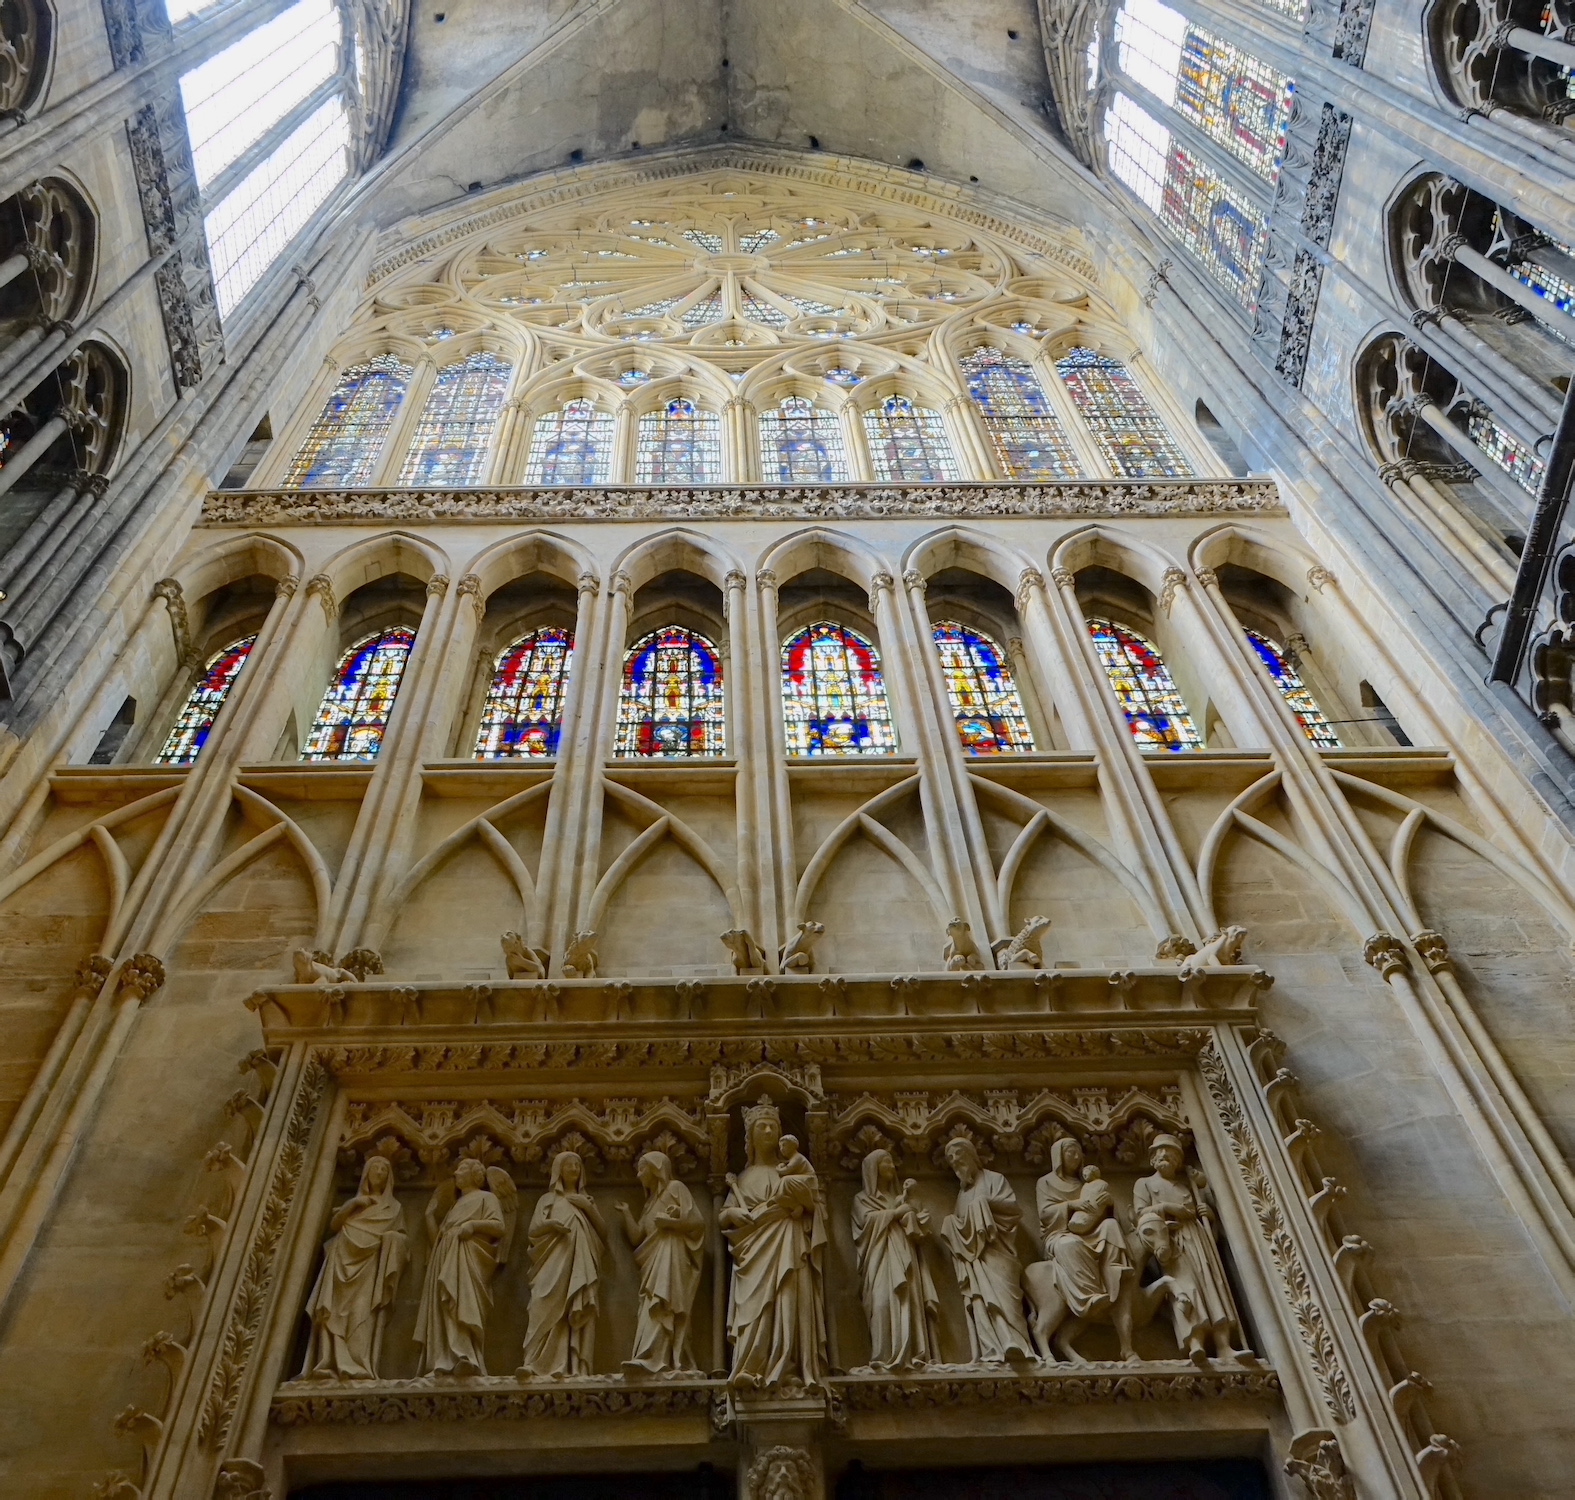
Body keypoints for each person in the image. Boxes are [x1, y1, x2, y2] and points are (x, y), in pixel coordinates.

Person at [718, 1097, 827, 1387]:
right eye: (761, 1127)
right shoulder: (742, 1178)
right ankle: (752, 1364)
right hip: (752, 1251)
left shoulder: (790, 1170)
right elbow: (724, 1214)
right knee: (754, 1309)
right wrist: (735, 1213)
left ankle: (788, 1365)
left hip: (787, 1239)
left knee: (788, 1297)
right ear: (750, 1135)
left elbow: (815, 1203)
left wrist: (800, 1206)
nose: (768, 1132)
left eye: (772, 1126)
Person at [1132, 1134, 1249, 1364]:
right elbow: (1140, 1216)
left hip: (1197, 1239)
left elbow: (1204, 1225)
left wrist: (1210, 1218)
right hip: (1171, 1241)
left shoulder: (1186, 1186)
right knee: (1186, 1288)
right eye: (1161, 1153)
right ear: (1153, 1159)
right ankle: (1195, 1343)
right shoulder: (1144, 1184)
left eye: (1171, 1154)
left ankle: (1223, 1345)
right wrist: (1168, 1207)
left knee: (1212, 1288)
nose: (1165, 1156)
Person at [301, 1155, 407, 1380]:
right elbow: (334, 1225)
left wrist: (392, 1241)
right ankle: (328, 1361)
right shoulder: (355, 1204)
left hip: (370, 1267)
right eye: (375, 1167)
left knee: (362, 1312)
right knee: (333, 1311)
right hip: (341, 1260)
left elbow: (403, 1241)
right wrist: (353, 1204)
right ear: (366, 1173)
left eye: (384, 1169)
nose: (379, 1172)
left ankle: (356, 1362)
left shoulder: (394, 1208)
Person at [939, 1137, 1031, 1364]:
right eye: (950, 1158)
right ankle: (992, 1349)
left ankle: (1019, 1345)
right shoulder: (962, 1194)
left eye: (958, 1155)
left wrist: (985, 1202)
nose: (955, 1161)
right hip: (974, 1260)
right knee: (980, 1300)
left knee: (1006, 1299)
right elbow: (964, 1228)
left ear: (971, 1155)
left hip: (998, 1252)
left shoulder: (994, 1179)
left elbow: (1014, 1210)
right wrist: (953, 1224)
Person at [615, 1150, 705, 1376]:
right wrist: (626, 1213)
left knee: (666, 1304)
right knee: (651, 1307)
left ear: (656, 1169)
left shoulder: (676, 1188)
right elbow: (638, 1237)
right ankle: (649, 1356)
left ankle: (668, 1360)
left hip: (672, 1257)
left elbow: (697, 1221)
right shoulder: (648, 1204)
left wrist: (671, 1223)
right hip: (653, 1264)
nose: (638, 1174)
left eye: (642, 1168)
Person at [413, 1157, 506, 1376]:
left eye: (462, 1168)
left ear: (476, 1174)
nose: (456, 1172)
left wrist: (473, 1225)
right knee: (443, 1305)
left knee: (462, 1301)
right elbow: (438, 1239)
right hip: (446, 1254)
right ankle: (442, 1359)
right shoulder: (454, 1206)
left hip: (468, 1254)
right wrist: (429, 1217)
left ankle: (466, 1356)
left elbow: (499, 1227)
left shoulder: (487, 1197)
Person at [520, 1150, 608, 1377]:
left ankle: (573, 1366)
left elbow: (603, 1232)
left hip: (580, 1265)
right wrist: (552, 1226)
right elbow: (533, 1230)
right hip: (551, 1262)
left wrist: (587, 1207)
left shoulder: (586, 1201)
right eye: (569, 1165)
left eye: (578, 1165)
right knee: (540, 1303)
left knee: (575, 1307)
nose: (574, 1169)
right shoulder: (548, 1200)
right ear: (558, 1169)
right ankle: (536, 1363)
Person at [850, 1147, 938, 1370]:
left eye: (891, 1162)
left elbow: (917, 1227)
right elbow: (865, 1223)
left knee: (909, 1301)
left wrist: (912, 1212)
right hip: (879, 1258)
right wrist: (895, 1213)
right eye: (886, 1162)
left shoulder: (899, 1197)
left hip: (905, 1255)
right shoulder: (861, 1199)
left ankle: (914, 1355)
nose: (891, 1167)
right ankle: (883, 1356)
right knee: (882, 1302)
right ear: (873, 1169)